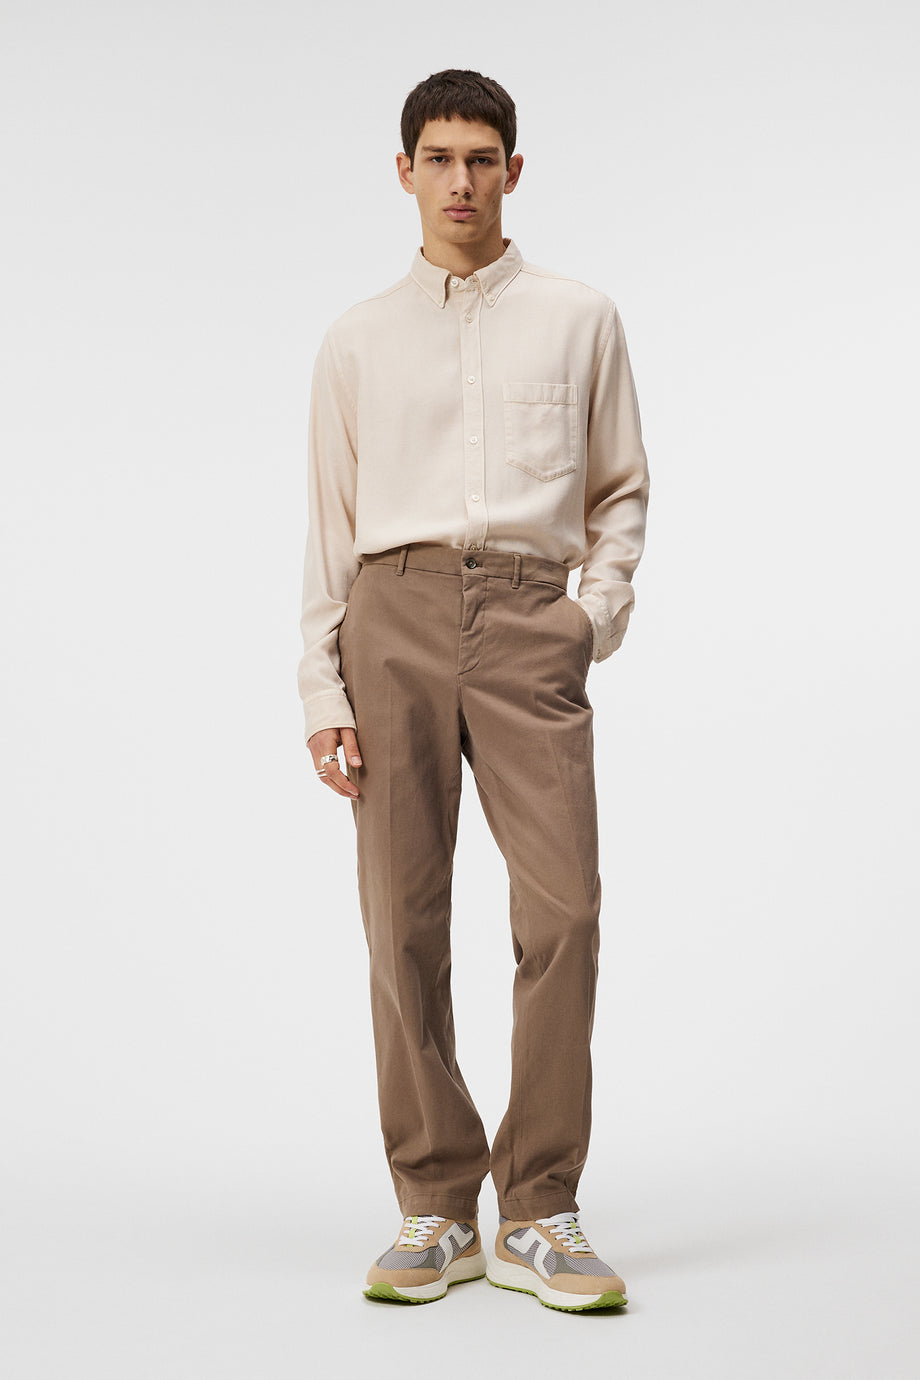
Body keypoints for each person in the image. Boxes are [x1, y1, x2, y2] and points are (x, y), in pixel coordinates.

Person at [296, 68, 650, 1312]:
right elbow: (327, 526)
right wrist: (321, 689)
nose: (460, 181)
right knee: (401, 920)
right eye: (438, 158)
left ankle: (538, 1206)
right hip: (387, 615)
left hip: (527, 619)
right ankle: (437, 1206)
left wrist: (586, 621)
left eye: (481, 158)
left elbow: (618, 491)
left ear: (512, 170)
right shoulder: (355, 340)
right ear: (404, 173)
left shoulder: (577, 316)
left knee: (565, 913)